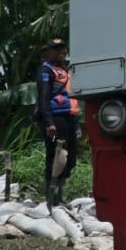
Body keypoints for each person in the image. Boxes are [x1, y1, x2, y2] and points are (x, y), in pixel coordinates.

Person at [33, 37, 80, 208]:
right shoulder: (46, 71)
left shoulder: (66, 70)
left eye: (63, 49)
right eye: (57, 49)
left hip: (69, 119)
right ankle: (51, 197)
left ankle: (60, 192)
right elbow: (44, 99)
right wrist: (49, 123)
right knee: (55, 157)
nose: (61, 52)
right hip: (55, 119)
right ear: (49, 52)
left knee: (70, 159)